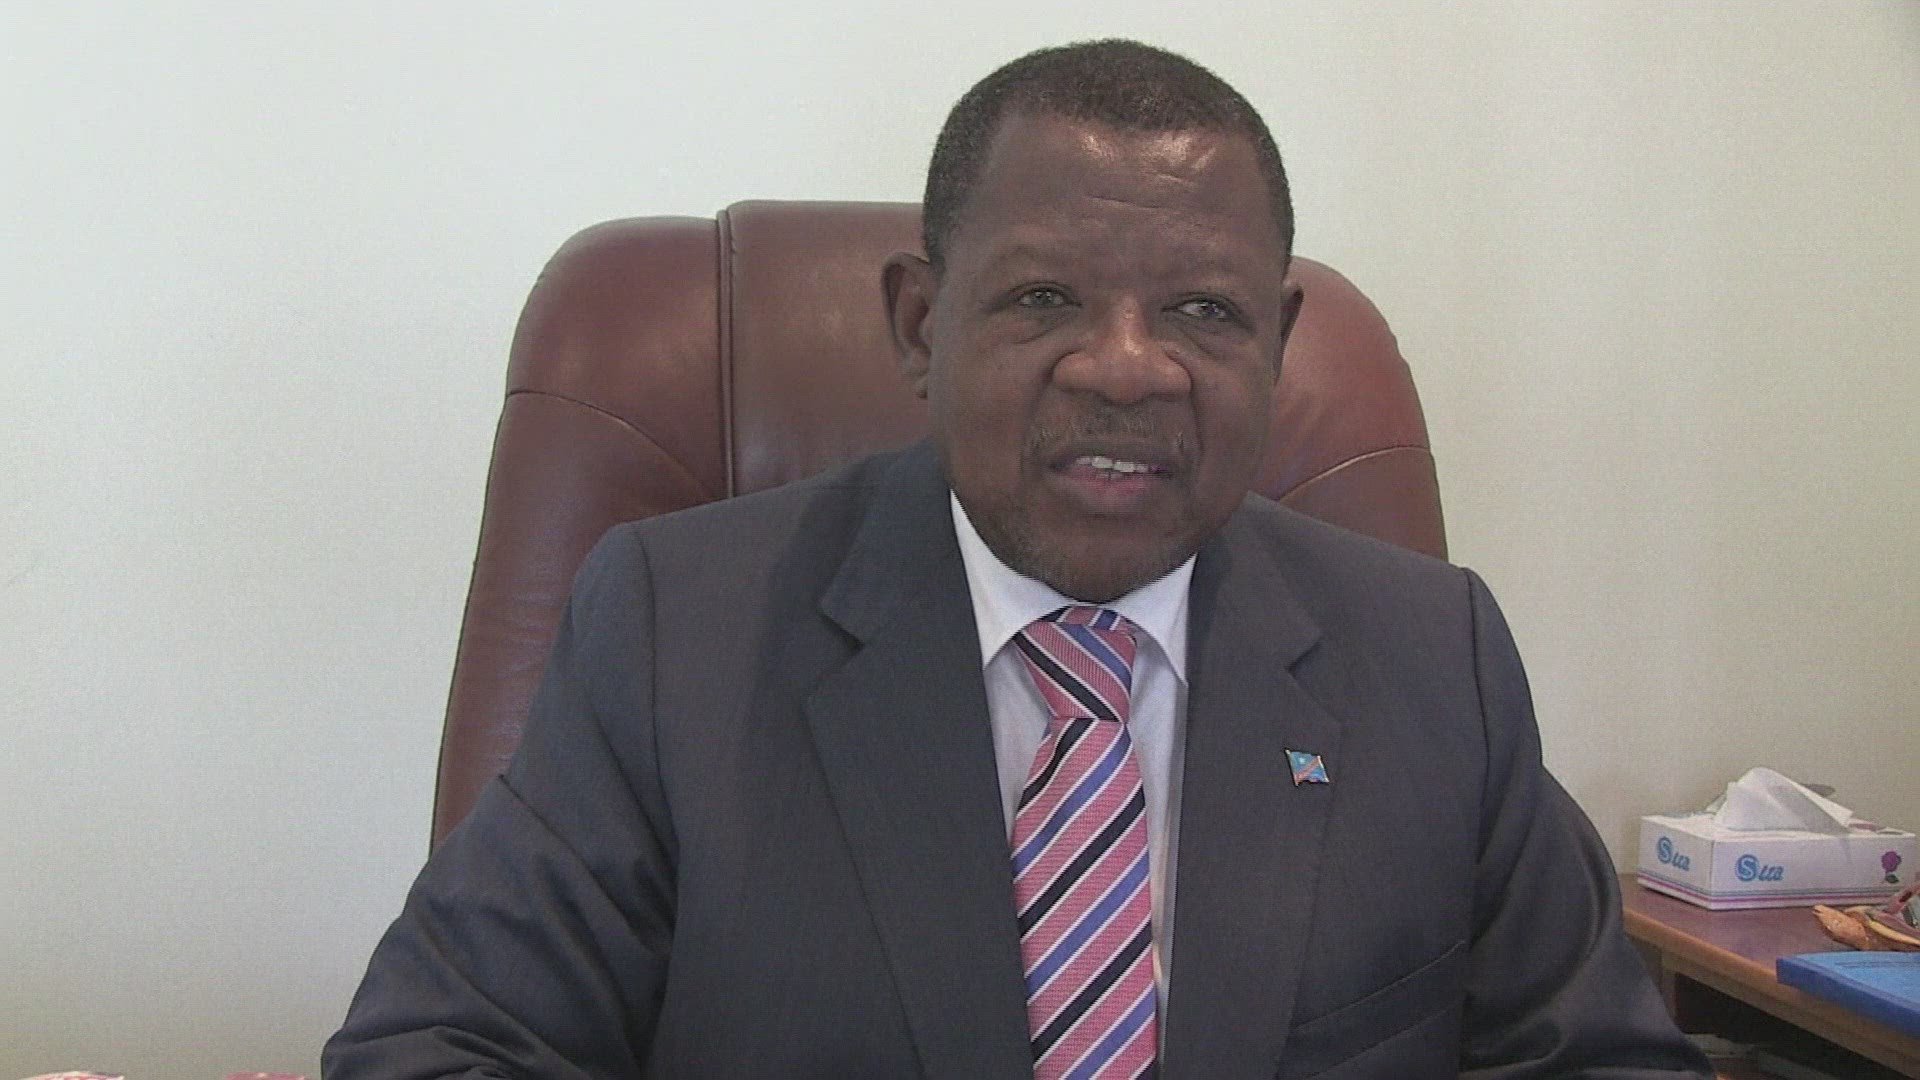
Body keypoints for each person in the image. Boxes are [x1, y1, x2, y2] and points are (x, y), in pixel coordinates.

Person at [325, 40, 1711, 1079]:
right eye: (1045, 299)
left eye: (1204, 312)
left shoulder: (1431, 656)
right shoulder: (673, 632)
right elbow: (441, 1048)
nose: (1128, 368)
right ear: (921, 326)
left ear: (1277, 345)